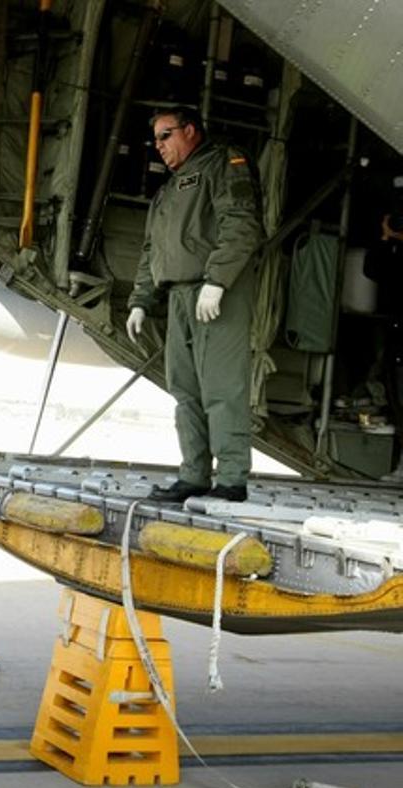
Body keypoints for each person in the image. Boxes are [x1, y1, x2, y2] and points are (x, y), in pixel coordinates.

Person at [126, 107, 264, 503]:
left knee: (222, 385)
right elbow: (153, 250)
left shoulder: (224, 163)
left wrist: (218, 280)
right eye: (155, 140)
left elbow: (241, 223)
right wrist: (140, 300)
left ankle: (232, 479)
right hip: (180, 296)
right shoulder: (169, 190)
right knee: (185, 389)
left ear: (190, 130)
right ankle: (194, 475)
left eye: (166, 135)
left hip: (216, 291)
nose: (159, 146)